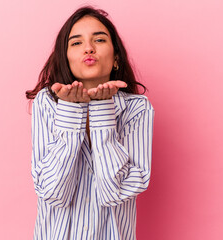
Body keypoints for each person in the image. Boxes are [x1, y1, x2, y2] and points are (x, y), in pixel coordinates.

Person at [26, 6, 154, 240]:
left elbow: (114, 192)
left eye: (99, 39)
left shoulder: (137, 108)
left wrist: (102, 110)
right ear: (65, 57)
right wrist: (71, 111)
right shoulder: (46, 103)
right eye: (76, 43)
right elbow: (52, 192)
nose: (88, 48)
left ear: (116, 57)